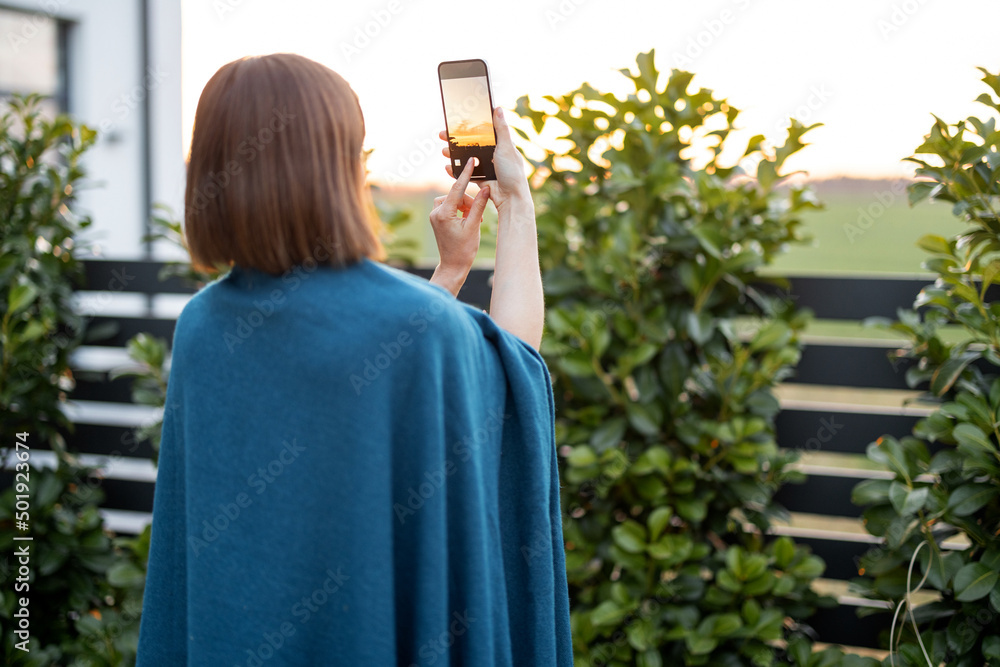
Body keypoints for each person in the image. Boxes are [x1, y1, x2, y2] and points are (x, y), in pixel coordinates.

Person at [136, 53, 572, 666]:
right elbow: (514, 365)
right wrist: (517, 204)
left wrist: (449, 270)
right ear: (341, 165)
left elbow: (365, 363)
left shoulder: (203, 328)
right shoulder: (416, 327)